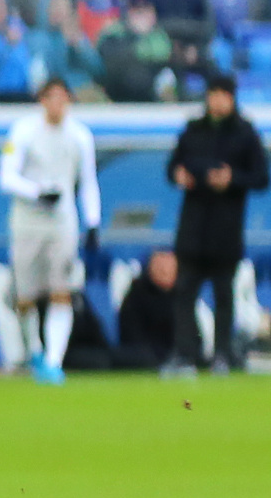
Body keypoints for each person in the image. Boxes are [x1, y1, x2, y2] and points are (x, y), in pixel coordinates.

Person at [0, 77, 101, 385]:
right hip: (27, 221)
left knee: (61, 290)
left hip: (62, 222)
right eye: (51, 97)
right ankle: (35, 351)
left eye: (62, 98)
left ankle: (55, 361)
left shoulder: (80, 136)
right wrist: (36, 191)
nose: (57, 104)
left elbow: (88, 181)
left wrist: (92, 222)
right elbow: (6, 176)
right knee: (26, 294)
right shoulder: (23, 131)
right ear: (41, 100)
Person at [163, 73, 267, 375]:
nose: (218, 101)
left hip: (226, 230)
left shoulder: (245, 133)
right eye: (213, 94)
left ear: (233, 98)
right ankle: (184, 355)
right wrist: (178, 175)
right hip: (192, 228)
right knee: (184, 295)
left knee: (224, 296)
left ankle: (222, 354)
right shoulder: (193, 130)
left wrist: (232, 179)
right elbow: (172, 167)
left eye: (224, 95)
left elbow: (261, 177)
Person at [113, 248, 181, 370]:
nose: (164, 270)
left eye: (168, 267)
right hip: (145, 356)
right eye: (160, 266)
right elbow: (131, 334)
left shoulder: (183, 297)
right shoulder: (137, 295)